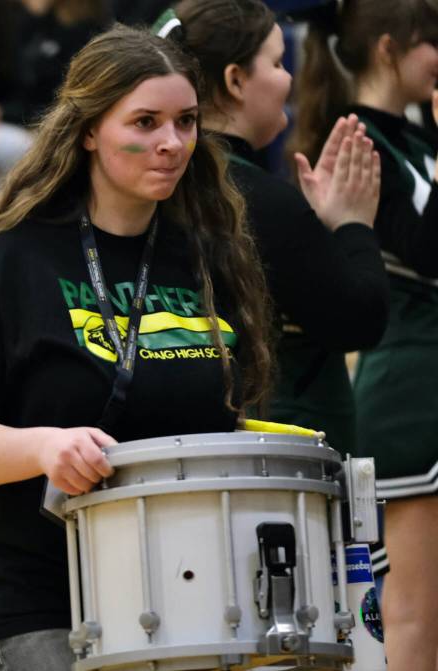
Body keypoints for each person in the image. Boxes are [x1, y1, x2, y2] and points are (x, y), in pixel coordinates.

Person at [0, 25, 274, 669]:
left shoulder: (209, 256)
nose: (171, 143)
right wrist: (44, 446)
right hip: (44, 603)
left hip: (192, 596)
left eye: (185, 122)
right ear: (89, 130)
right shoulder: (10, 259)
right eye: (145, 122)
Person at [290, 0, 438, 666]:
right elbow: (428, 248)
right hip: (411, 391)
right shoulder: (360, 141)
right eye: (433, 42)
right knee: (413, 616)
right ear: (388, 48)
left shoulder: (419, 136)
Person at [171, 0, 386, 453]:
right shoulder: (253, 197)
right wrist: (353, 224)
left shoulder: (176, 182)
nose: (288, 77)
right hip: (287, 458)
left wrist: (314, 230)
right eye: (275, 62)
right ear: (236, 80)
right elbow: (359, 320)